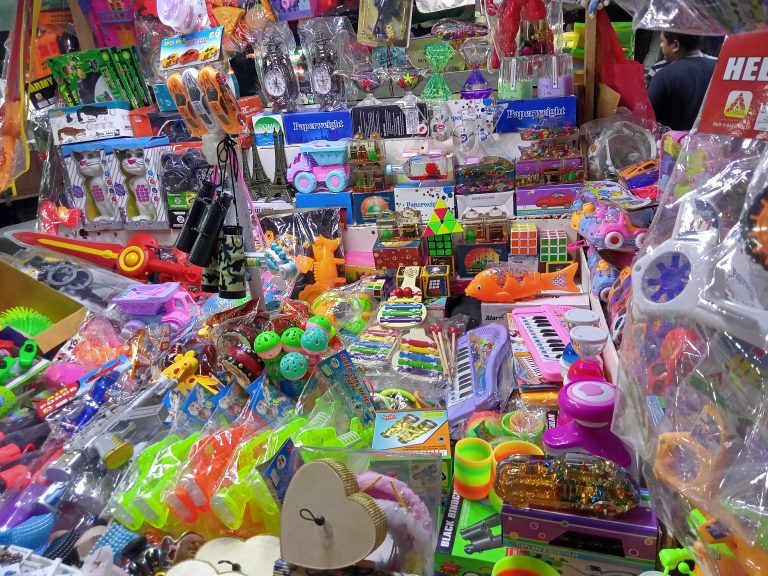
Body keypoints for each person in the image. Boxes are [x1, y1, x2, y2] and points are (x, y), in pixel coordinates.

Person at [647, 32, 717, 130]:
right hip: (709, 141)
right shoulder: (719, 66)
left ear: (675, 45)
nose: (661, 45)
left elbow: (647, 118)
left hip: (672, 143)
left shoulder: (663, 75)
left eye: (662, 41)